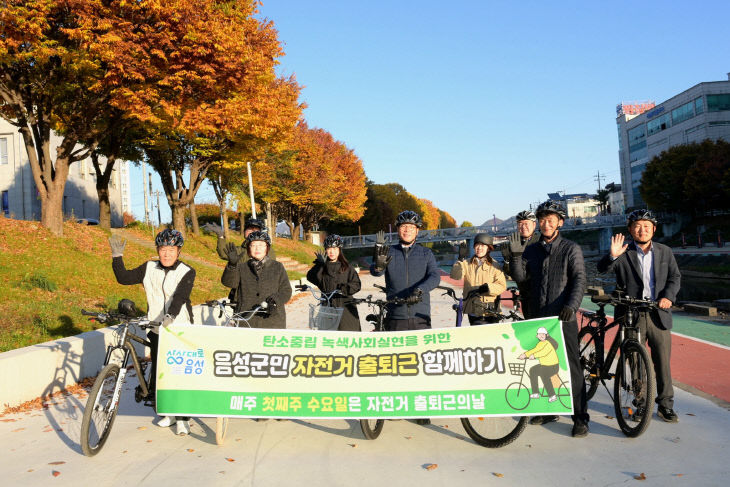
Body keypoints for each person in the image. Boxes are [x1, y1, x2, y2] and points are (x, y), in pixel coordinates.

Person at [509, 200, 589, 437]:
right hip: (538, 317)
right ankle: (547, 410)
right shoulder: (532, 250)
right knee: (542, 366)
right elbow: (521, 279)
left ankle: (580, 418)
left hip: (563, 317)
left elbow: (579, 280)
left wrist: (572, 306)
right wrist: (515, 257)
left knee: (572, 367)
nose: (545, 224)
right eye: (542, 220)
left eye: (550, 220)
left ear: (559, 223)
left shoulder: (570, 248)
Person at [597, 209, 681, 422]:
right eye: (637, 226)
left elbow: (674, 277)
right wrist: (613, 256)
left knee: (662, 362)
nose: (642, 230)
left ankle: (665, 405)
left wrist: (668, 297)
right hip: (631, 313)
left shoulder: (665, 251)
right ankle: (641, 403)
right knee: (635, 362)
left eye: (646, 226)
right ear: (630, 230)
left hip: (658, 312)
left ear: (653, 229)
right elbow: (602, 269)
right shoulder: (624, 251)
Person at [109, 229, 195, 436]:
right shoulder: (148, 268)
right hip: (156, 328)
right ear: (158, 250)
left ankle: (183, 417)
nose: (166, 254)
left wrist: (171, 316)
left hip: (178, 329)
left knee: (179, 373)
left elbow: (180, 297)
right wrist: (116, 257)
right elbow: (124, 278)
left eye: (171, 250)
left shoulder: (187, 271)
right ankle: (168, 412)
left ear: (178, 251)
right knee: (160, 371)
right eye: (163, 249)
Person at [371, 210, 441, 425]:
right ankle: (394, 405)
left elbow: (435, 276)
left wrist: (421, 289)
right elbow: (375, 272)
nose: (407, 229)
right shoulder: (389, 251)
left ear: (417, 231)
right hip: (396, 313)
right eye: (403, 227)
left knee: (420, 362)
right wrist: (379, 264)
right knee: (396, 362)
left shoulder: (426, 254)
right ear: (398, 230)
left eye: (411, 226)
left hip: (420, 313)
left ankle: (422, 408)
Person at [221, 231, 291, 329]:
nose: (257, 248)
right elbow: (229, 283)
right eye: (253, 245)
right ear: (249, 248)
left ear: (267, 248)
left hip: (272, 320)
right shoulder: (242, 267)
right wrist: (232, 266)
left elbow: (286, 290)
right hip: (246, 319)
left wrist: (275, 300)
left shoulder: (277, 267)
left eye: (261, 245)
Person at [306, 234, 362, 331]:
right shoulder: (322, 267)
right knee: (328, 339)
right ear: (325, 250)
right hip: (328, 307)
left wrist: (344, 289)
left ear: (339, 250)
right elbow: (311, 277)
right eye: (329, 248)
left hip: (346, 307)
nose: (332, 251)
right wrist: (319, 265)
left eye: (335, 248)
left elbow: (356, 284)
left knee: (348, 337)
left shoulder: (347, 267)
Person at [450, 233, 507, 325]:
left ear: (488, 248)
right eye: (477, 245)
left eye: (483, 245)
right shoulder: (466, 263)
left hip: (490, 310)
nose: (479, 248)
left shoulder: (494, 265)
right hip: (472, 309)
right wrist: (460, 259)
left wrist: (488, 288)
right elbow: (455, 276)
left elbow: (502, 285)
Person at [216, 217, 276, 301]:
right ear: (244, 232)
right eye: (249, 229)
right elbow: (223, 253)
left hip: (261, 295)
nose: (252, 232)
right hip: (241, 295)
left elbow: (271, 269)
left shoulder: (265, 249)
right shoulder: (239, 250)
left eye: (255, 230)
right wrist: (221, 237)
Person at [501, 210, 540, 318]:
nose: (523, 227)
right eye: (520, 224)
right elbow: (510, 273)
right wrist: (507, 260)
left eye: (526, 223)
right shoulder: (515, 243)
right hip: (524, 294)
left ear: (534, 224)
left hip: (540, 294)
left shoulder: (541, 242)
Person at [519, 327, 561, 402]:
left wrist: (534, 356)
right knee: (532, 370)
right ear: (537, 336)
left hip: (553, 366)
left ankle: (552, 395)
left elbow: (544, 352)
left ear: (546, 335)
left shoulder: (548, 343)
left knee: (544, 375)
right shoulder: (540, 344)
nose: (541, 335)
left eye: (543, 334)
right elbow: (534, 350)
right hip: (545, 365)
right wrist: (525, 354)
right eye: (539, 334)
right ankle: (535, 393)